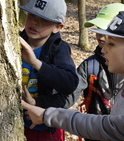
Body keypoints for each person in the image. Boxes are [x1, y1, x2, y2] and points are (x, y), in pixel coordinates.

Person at [21, 12, 124, 141]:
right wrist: (43, 110)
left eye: (111, 44)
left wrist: (46, 113)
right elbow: (104, 125)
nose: (103, 50)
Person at [19, 0, 79, 140]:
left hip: (44, 126)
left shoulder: (58, 49)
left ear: (57, 27)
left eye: (44, 20)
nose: (35, 22)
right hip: (13, 121)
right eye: (31, 15)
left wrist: (35, 62)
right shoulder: (13, 41)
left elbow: (69, 83)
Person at [75, 3, 124, 141]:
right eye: (98, 28)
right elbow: (69, 93)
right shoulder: (90, 66)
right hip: (94, 135)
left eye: (106, 28)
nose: (100, 33)